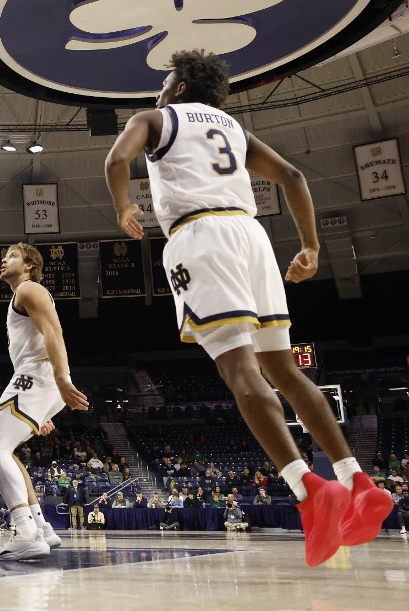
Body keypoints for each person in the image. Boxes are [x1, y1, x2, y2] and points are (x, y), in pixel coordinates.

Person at [104, 49, 391, 567]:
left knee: (239, 370)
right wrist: (311, 248)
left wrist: (124, 205)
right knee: (284, 369)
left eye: (166, 81)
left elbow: (115, 160)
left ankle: (307, 490)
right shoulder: (233, 128)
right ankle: (357, 480)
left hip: (200, 237)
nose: (158, 89)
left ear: (183, 86)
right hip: (252, 236)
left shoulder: (154, 119)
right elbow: (295, 178)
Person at [0, 244, 88, 561]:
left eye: (12, 256)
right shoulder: (24, 294)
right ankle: (42, 528)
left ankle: (26, 534)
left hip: (39, 374)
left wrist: (62, 378)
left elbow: (54, 331)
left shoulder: (29, 289)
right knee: (7, 452)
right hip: (40, 380)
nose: (4, 259)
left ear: (29, 265)